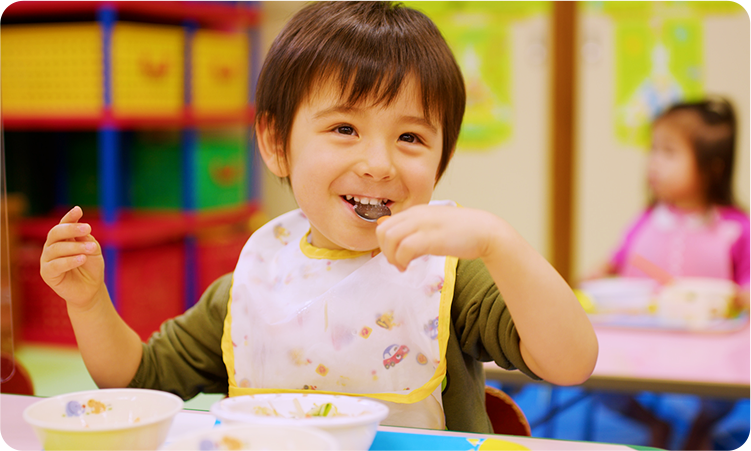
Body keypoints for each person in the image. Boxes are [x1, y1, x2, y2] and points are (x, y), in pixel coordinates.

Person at [39, 0, 597, 433]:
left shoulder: (448, 273)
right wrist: (88, 303)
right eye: (344, 129)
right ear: (276, 142)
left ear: (441, 158)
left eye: (410, 137)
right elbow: (138, 379)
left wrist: (503, 245)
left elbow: (569, 363)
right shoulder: (256, 282)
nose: (377, 164)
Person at [588, 97, 751, 451]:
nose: (654, 163)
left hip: (708, 346)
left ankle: (700, 427)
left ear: (712, 168)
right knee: (592, 376)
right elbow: (614, 262)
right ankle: (653, 423)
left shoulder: (735, 228)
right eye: (653, 150)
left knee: (726, 393)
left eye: (669, 152)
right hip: (643, 339)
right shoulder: (647, 219)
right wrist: (596, 274)